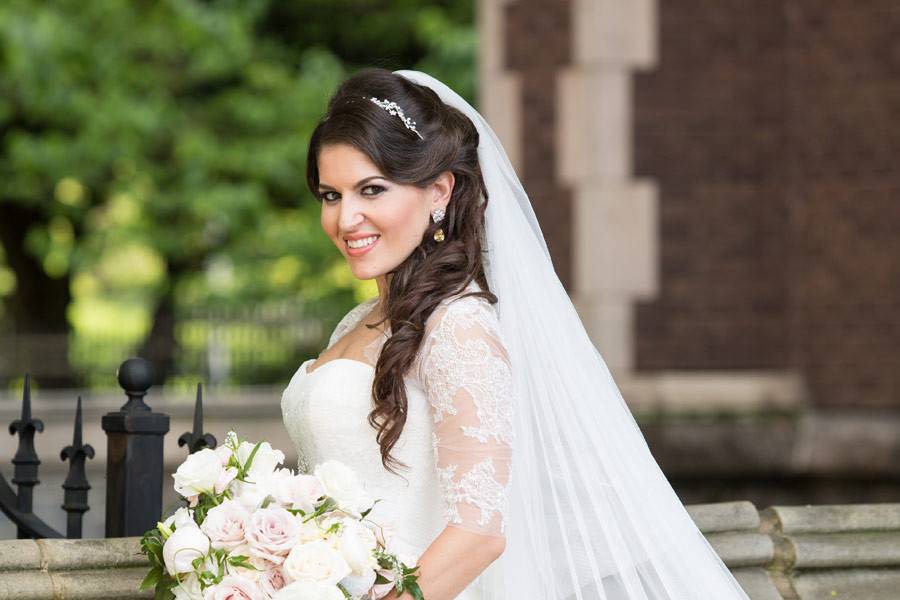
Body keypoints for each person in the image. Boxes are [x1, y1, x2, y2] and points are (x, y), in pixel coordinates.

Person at [281, 68, 751, 600]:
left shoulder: (457, 326)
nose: (348, 218)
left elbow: (479, 534)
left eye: (372, 190)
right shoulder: (358, 322)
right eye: (330, 195)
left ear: (438, 190)